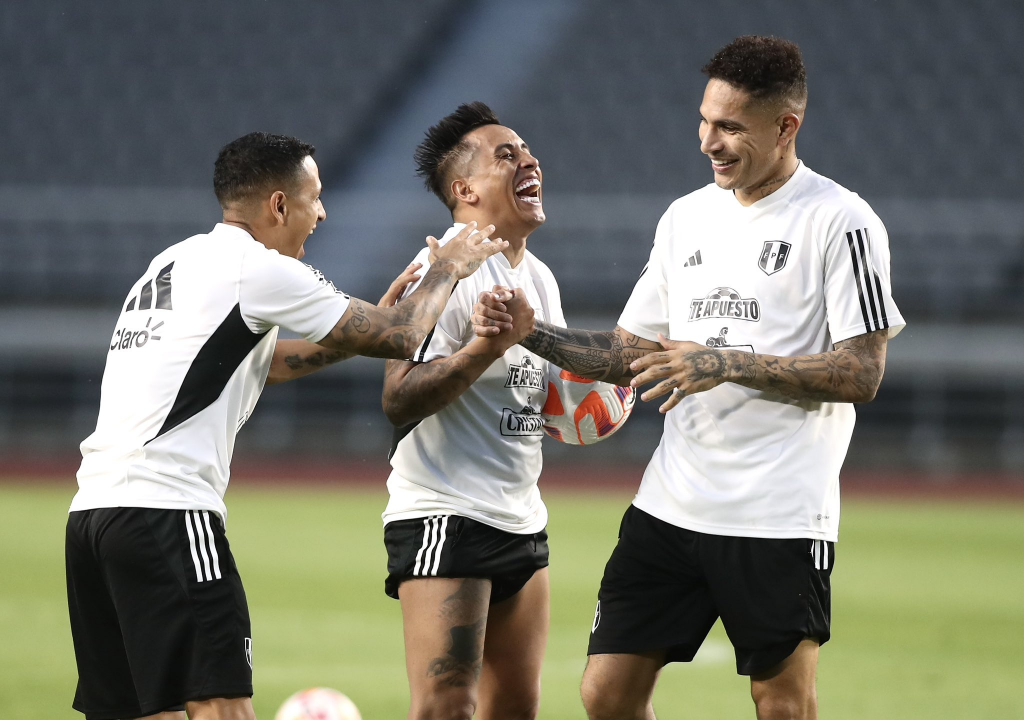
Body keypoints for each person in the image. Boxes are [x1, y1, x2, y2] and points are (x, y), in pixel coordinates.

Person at [473, 36, 905, 720]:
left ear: (785, 126)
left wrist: (724, 361)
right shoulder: (685, 217)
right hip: (672, 503)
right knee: (605, 693)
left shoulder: (841, 221)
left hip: (779, 514)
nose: (708, 140)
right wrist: (533, 335)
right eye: (705, 120)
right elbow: (626, 354)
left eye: (731, 126)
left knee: (782, 704)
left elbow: (862, 371)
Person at [65, 131, 505, 720]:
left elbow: (263, 365)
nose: (321, 212)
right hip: (166, 512)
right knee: (222, 704)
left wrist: (356, 334)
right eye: (314, 198)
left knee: (146, 710)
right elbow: (402, 335)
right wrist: (447, 268)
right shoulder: (256, 269)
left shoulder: (173, 262)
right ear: (278, 205)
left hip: (92, 517)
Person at [381, 102, 564, 720]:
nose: (529, 160)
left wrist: (587, 405)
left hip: (521, 518)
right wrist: (485, 350)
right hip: (445, 516)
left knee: (514, 709)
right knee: (446, 708)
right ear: (464, 189)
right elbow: (398, 398)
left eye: (529, 151)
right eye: (506, 155)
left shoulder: (537, 275)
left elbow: (546, 391)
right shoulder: (441, 269)